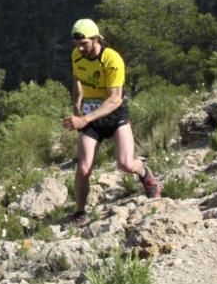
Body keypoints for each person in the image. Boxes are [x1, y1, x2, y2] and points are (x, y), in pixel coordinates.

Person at [62, 18, 160, 224]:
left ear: (96, 39)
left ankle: (144, 172)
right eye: (76, 44)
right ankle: (80, 212)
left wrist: (84, 119)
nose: (80, 48)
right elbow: (77, 78)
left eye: (84, 43)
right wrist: (76, 102)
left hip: (115, 116)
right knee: (83, 167)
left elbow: (115, 99)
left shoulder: (112, 59)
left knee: (125, 163)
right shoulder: (76, 56)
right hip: (91, 117)